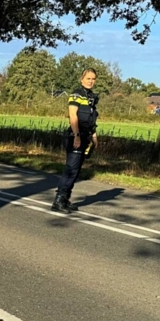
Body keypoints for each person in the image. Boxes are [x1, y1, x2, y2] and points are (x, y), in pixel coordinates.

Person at [52, 68, 99, 214]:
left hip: (85, 136)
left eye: (93, 79)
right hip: (75, 137)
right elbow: (73, 116)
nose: (91, 81)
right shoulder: (76, 94)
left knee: (76, 170)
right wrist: (76, 135)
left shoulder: (90, 98)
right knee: (71, 169)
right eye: (88, 78)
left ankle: (65, 199)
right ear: (81, 79)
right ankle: (58, 200)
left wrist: (94, 136)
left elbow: (90, 120)